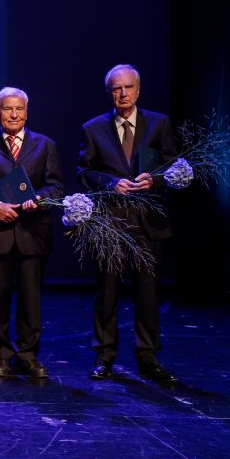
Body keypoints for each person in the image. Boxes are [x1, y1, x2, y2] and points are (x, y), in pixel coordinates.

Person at [78, 64, 178, 384]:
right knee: (106, 291)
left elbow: (172, 166)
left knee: (147, 292)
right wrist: (110, 183)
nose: (123, 94)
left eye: (128, 88)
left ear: (138, 89)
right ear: (109, 92)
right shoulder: (94, 128)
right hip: (110, 222)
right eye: (116, 89)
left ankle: (147, 356)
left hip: (148, 222)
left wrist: (155, 180)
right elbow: (85, 171)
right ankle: (104, 355)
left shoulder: (159, 124)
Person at [0, 87, 64, 378]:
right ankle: (2, 355)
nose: (14, 114)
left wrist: (40, 200)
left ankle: (27, 355)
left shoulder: (45, 145)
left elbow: (56, 186)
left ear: (27, 112)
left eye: (19, 109)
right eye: (8, 109)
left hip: (33, 231)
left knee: (31, 297)